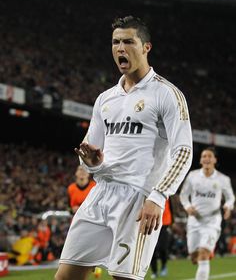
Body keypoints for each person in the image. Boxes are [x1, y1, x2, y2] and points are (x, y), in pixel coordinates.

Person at [55, 15, 192, 280]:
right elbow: (89, 158)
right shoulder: (105, 99)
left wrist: (158, 196)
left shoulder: (166, 94)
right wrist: (92, 162)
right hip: (100, 195)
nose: (120, 48)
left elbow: (184, 152)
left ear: (146, 47)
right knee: (65, 277)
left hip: (138, 198)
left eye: (128, 41)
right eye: (116, 42)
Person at [180, 147, 235, 280]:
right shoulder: (192, 176)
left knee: (203, 254)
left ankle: (207, 250)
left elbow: (230, 197)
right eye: (204, 156)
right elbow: (183, 195)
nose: (207, 159)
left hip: (212, 220)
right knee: (194, 257)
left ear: (215, 160)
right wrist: (187, 207)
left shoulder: (223, 179)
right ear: (200, 160)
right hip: (194, 221)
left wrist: (228, 206)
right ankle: (202, 252)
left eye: (210, 156)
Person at [150, 199, 172, 278]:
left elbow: (171, 207)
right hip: (152, 223)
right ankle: (154, 271)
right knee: (152, 249)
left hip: (164, 224)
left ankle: (163, 266)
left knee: (163, 248)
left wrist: (172, 222)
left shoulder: (167, 193)